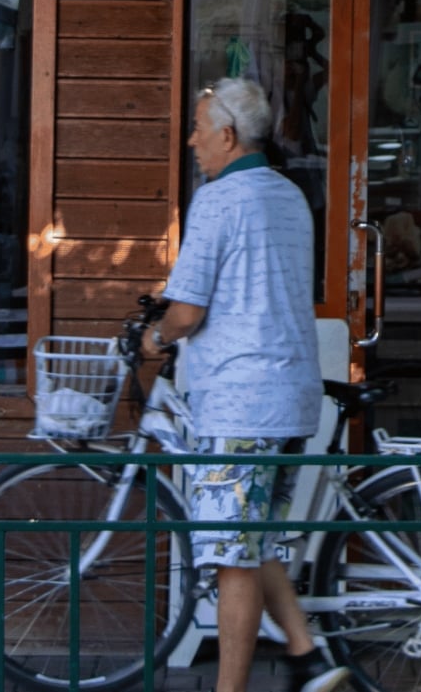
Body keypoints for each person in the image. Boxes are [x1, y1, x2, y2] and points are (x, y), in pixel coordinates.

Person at [141, 78, 348, 692]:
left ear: (227, 137)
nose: (192, 141)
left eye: (200, 129)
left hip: (238, 403)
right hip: (291, 396)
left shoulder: (218, 199)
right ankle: (307, 655)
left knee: (232, 558)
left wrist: (155, 339)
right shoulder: (289, 196)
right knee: (256, 539)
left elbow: (187, 312)